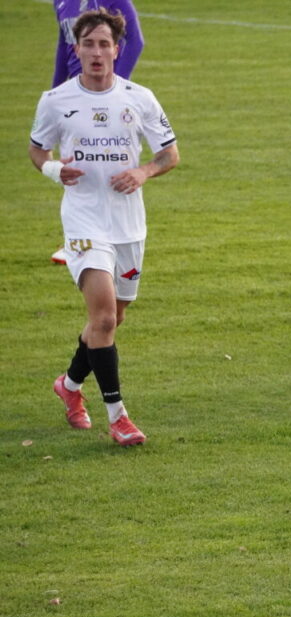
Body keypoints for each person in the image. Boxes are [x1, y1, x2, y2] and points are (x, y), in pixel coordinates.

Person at [29, 8, 179, 446]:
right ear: (76, 49)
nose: (97, 52)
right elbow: (37, 150)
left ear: (118, 49)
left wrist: (144, 173)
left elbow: (170, 153)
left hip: (129, 225)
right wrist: (55, 171)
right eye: (88, 44)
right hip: (83, 220)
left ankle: (70, 386)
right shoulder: (55, 100)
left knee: (112, 321)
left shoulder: (140, 97)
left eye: (104, 44)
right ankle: (119, 417)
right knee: (105, 317)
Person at [50, 0, 144, 266]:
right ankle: (79, 239)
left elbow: (135, 41)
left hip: (102, 94)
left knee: (104, 162)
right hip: (74, 93)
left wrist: (109, 90)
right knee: (74, 164)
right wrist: (56, 90)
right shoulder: (60, 1)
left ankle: (104, 240)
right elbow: (64, 44)